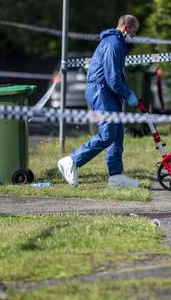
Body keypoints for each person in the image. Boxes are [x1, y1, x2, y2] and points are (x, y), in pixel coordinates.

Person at [57, 15, 141, 187]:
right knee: (107, 134)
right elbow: (113, 78)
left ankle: (116, 176)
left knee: (117, 135)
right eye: (133, 31)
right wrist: (128, 93)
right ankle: (72, 161)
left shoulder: (116, 42)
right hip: (101, 91)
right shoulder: (113, 44)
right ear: (126, 27)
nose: (134, 35)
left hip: (108, 92)